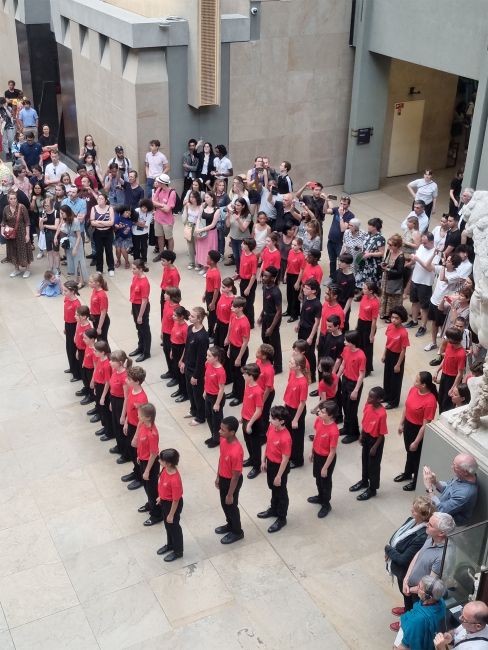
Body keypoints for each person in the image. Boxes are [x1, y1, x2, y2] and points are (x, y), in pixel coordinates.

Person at [386, 496, 437, 615]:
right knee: (404, 594)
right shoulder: (412, 520)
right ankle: (406, 608)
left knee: (409, 595)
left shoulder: (422, 536)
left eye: (415, 509)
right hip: (400, 570)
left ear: (422, 515)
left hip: (407, 572)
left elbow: (404, 559)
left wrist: (388, 549)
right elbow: (396, 535)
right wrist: (390, 544)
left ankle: (408, 616)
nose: (411, 510)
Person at [402, 513, 455, 612]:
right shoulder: (431, 536)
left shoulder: (443, 557)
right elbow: (419, 553)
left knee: (416, 615)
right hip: (412, 588)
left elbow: (430, 587)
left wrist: (409, 589)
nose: (426, 525)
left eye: (430, 525)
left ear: (441, 533)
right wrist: (406, 578)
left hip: (422, 596)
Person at [396, 372, 438, 492]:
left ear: (424, 385)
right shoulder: (413, 390)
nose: (414, 382)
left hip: (418, 430)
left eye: (417, 380)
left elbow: (425, 425)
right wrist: (401, 423)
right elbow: (407, 407)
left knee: (416, 457)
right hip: (408, 425)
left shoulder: (430, 401)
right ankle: (407, 473)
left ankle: (416, 482)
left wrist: (416, 442)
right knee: (409, 452)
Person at [349, 387, 387, 500]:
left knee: (373, 466)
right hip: (366, 435)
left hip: (375, 441)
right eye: (368, 395)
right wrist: (361, 435)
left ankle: (372, 489)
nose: (368, 398)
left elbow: (382, 433)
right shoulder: (368, 404)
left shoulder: (382, 414)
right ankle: (364, 481)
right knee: (365, 460)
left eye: (371, 397)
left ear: (379, 400)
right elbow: (365, 420)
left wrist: (375, 447)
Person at [257, 405, 292, 533]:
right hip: (270, 463)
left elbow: (285, 459)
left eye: (273, 418)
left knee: (281, 493)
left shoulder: (286, 438)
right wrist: (263, 460)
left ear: (282, 421)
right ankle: (273, 509)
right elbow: (269, 444)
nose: (270, 420)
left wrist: (278, 476)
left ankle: (282, 518)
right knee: (273, 488)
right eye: (270, 417)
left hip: (279, 468)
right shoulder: (272, 429)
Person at [423, 454, 478, 526]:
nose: (452, 467)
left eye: (455, 467)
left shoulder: (464, 494)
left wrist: (429, 488)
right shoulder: (463, 476)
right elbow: (448, 487)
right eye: (453, 464)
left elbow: (440, 510)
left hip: (446, 524)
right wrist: (435, 482)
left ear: (466, 472)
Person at [395, 576, 447, 650]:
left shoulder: (418, 620)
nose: (417, 588)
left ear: (429, 597)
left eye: (420, 587)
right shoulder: (440, 602)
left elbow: (406, 643)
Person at [308, 400, 339, 518]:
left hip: (326, 459)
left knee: (325, 482)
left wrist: (325, 468)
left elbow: (332, 453)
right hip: (317, 455)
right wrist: (311, 451)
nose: (319, 413)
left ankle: (326, 505)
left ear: (330, 415)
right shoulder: (319, 420)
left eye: (322, 412)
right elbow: (316, 436)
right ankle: (320, 497)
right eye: (320, 411)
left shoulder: (334, 431)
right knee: (317, 477)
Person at [424, 254, 462, 352]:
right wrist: (433, 255)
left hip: (444, 304)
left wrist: (443, 266)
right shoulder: (442, 268)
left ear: (453, 265)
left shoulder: (455, 275)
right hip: (434, 300)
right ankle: (433, 342)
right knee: (433, 323)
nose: (446, 261)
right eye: (447, 260)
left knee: (443, 326)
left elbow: (442, 279)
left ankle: (443, 345)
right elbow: (428, 266)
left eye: (448, 261)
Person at [133, 403, 163, 526]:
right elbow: (141, 443)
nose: (138, 417)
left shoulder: (152, 434)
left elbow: (153, 454)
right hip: (143, 459)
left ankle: (157, 514)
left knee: (152, 489)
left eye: (140, 415)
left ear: (149, 417)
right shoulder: (143, 425)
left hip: (151, 463)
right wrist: (139, 456)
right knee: (146, 486)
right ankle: (151, 504)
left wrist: (147, 470)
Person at [405, 233, 439, 337]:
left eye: (425, 242)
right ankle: (414, 321)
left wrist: (417, 259)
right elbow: (416, 261)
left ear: (431, 242)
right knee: (414, 302)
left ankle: (423, 326)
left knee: (424, 306)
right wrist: (411, 262)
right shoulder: (421, 247)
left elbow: (429, 268)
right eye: (422, 242)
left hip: (425, 283)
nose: (422, 244)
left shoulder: (436, 254)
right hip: (416, 279)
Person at [120, 366, 148, 489]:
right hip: (130, 424)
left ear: (137, 382)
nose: (126, 380)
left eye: (129, 379)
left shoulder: (142, 399)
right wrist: (126, 421)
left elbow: (142, 420)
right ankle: (135, 471)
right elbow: (129, 408)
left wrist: (136, 436)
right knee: (131, 451)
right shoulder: (131, 389)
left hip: (138, 429)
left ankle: (140, 477)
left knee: (138, 454)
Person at [337, 330, 366, 444]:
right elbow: (343, 364)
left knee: (351, 410)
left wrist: (355, 390)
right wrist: (337, 377)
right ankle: (346, 427)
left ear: (353, 342)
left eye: (346, 340)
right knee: (344, 405)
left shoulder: (361, 356)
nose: (344, 342)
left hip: (354, 384)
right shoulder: (346, 349)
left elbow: (362, 374)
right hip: (345, 380)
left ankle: (354, 432)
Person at [182, 307, 209, 425]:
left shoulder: (202, 337)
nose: (189, 317)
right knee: (190, 391)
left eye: (192, 316)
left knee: (198, 394)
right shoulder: (190, 328)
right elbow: (187, 347)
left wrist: (196, 375)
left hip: (195, 370)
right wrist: (183, 361)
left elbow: (201, 358)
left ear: (199, 319)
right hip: (188, 366)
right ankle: (193, 410)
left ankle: (200, 416)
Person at [156, 448, 184, 562]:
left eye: (161, 460)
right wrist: (160, 497)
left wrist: (171, 514)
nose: (159, 461)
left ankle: (178, 551)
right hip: (164, 501)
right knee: (168, 526)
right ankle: (170, 545)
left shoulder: (175, 481)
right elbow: (162, 483)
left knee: (174, 527)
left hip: (172, 505)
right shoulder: (165, 469)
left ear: (169, 463)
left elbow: (176, 500)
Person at [284, 354, 309, 468]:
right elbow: (289, 391)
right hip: (289, 408)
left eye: (292, 363)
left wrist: (295, 419)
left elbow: (302, 403)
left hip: (297, 412)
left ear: (298, 367)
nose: (289, 364)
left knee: (297, 438)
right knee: (289, 435)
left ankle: (298, 460)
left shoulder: (303, 383)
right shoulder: (292, 374)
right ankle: (291, 455)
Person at [382, 305, 410, 409]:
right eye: (392, 317)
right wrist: (384, 354)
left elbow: (403, 350)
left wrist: (398, 364)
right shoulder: (389, 327)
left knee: (395, 381)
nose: (393, 320)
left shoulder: (403, 333)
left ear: (401, 319)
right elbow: (387, 342)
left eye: (396, 318)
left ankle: (393, 401)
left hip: (397, 356)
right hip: (389, 353)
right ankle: (386, 396)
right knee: (387, 377)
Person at [433, 327, 466, 413]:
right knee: (440, 399)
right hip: (444, 375)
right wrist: (437, 370)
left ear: (453, 339)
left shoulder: (461, 354)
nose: (446, 339)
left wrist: (453, 388)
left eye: (448, 337)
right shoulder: (449, 345)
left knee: (447, 402)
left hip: (452, 379)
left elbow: (460, 373)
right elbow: (445, 359)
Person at [225, 296, 250, 407]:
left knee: (240, 376)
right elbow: (232, 334)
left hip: (240, 350)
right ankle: (234, 392)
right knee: (233, 373)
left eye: (234, 307)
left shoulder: (244, 323)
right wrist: (230, 348)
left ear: (240, 308)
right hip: (233, 347)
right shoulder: (234, 317)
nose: (231, 308)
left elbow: (245, 342)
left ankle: (240, 397)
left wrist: (239, 357)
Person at [323, 195, 355, 281]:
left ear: (348, 205)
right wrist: (326, 201)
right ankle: (332, 277)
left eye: (344, 204)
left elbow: (343, 229)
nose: (342, 206)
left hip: (340, 243)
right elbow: (325, 211)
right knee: (332, 261)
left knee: (341, 262)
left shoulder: (350, 215)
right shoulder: (336, 209)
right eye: (341, 203)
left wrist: (341, 216)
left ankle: (339, 279)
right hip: (331, 241)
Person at [240, 363, 264, 479]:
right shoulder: (248, 385)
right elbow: (246, 402)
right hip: (245, 419)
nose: (243, 376)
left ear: (251, 376)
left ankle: (257, 466)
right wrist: (242, 415)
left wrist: (249, 424)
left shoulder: (257, 391)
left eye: (245, 374)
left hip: (253, 422)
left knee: (255, 445)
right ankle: (251, 459)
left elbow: (258, 410)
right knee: (248, 442)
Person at [296, 278, 322, 382]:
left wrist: (311, 337)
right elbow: (302, 314)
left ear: (313, 290)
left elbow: (316, 323)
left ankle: (312, 376)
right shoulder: (306, 299)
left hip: (309, 331)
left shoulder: (317, 304)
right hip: (302, 328)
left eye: (307, 288)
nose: (304, 290)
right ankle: (303, 371)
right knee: (301, 351)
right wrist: (298, 324)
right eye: (304, 287)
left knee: (310, 354)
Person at [258, 266, 283, 374]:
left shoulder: (276, 292)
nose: (263, 278)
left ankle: (278, 367)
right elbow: (265, 303)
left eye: (266, 276)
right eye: (263, 275)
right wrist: (260, 315)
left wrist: (272, 327)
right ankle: (270, 361)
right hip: (265, 316)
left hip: (273, 318)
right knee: (265, 338)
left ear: (272, 278)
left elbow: (279, 311)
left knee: (275, 343)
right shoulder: (264, 287)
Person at [1, 189, 31, 277]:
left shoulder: (22, 207)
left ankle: (27, 269)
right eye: (11, 199)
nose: (13, 200)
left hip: (21, 232)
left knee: (24, 250)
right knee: (13, 250)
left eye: (15, 198)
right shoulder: (6, 209)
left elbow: (27, 222)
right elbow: (4, 221)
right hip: (11, 233)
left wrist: (27, 234)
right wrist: (2, 231)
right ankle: (16, 269)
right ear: (8, 200)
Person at [108, 349, 131, 459]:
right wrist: (112, 402)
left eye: (113, 360)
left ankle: (126, 453)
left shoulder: (125, 377)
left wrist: (123, 415)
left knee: (122, 429)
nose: (110, 362)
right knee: (116, 426)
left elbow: (126, 398)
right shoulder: (115, 370)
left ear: (120, 363)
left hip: (122, 403)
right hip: (114, 399)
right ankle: (119, 446)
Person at [91, 340, 114, 440]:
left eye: (96, 351)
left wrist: (103, 396)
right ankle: (105, 427)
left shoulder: (107, 365)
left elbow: (108, 382)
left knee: (106, 412)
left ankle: (109, 432)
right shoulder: (100, 359)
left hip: (104, 389)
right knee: (101, 411)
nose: (94, 352)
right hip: (99, 386)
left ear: (102, 352)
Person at [204, 346, 226, 449]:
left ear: (216, 358)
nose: (207, 357)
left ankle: (217, 439)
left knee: (216, 421)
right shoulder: (208, 364)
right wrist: (205, 391)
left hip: (216, 397)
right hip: (208, 395)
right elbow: (207, 379)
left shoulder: (220, 372)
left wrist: (217, 403)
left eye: (209, 356)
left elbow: (221, 389)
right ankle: (213, 436)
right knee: (209, 417)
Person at [356, 281, 380, 376]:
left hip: (368, 326)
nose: (363, 290)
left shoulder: (375, 303)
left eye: (365, 289)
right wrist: (358, 325)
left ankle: (367, 368)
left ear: (371, 291)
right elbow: (361, 311)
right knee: (360, 346)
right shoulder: (364, 297)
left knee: (367, 349)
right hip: (361, 323)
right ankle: (360, 365)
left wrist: (371, 335)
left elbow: (374, 321)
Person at [129, 259, 151, 362]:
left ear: (140, 269)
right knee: (139, 329)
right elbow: (134, 293)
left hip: (142, 307)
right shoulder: (135, 277)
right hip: (135, 305)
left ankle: (146, 352)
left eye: (134, 269)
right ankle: (140, 347)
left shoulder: (144, 283)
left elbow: (144, 301)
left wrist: (140, 315)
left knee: (144, 330)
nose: (132, 270)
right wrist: (132, 308)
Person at [379, 235, 405, 320]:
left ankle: (393, 316)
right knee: (385, 295)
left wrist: (388, 269)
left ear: (397, 246)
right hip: (386, 278)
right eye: (388, 244)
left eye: (391, 245)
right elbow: (386, 260)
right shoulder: (389, 251)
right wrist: (384, 265)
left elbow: (400, 272)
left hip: (394, 281)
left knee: (392, 299)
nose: (389, 246)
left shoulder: (401, 257)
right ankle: (385, 313)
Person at [90, 191, 115, 276]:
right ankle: (99, 269)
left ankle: (111, 268)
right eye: (98, 198)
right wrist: (104, 222)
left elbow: (111, 223)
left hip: (108, 232)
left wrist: (99, 222)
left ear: (105, 201)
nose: (99, 200)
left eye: (101, 199)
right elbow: (92, 222)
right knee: (99, 251)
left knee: (109, 250)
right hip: (97, 232)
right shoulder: (94, 208)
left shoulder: (110, 208)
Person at [152, 174, 176, 260]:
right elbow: (153, 202)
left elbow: (167, 210)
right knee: (160, 237)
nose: (157, 183)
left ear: (163, 183)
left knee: (169, 238)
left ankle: (170, 255)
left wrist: (158, 204)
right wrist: (162, 205)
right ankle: (161, 254)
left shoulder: (172, 193)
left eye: (158, 181)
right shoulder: (159, 189)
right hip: (158, 219)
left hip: (167, 221)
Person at [225, 199, 252, 274]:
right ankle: (239, 272)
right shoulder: (233, 213)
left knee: (242, 257)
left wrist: (238, 220)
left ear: (243, 206)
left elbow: (243, 229)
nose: (236, 207)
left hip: (243, 240)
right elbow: (228, 225)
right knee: (236, 257)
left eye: (238, 205)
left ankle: (244, 273)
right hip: (234, 238)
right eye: (235, 205)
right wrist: (227, 217)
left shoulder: (248, 215)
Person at [195, 192, 220, 275]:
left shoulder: (217, 210)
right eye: (205, 197)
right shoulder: (202, 206)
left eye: (207, 197)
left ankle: (209, 268)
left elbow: (213, 224)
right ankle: (203, 267)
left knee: (209, 250)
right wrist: (198, 229)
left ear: (212, 198)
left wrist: (201, 230)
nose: (205, 199)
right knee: (202, 250)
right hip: (202, 232)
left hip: (211, 233)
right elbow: (198, 219)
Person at [169, 306, 189, 403]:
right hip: (175, 348)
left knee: (182, 373)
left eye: (175, 315)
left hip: (181, 350)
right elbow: (173, 337)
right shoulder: (175, 323)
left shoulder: (185, 328)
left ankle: (185, 393)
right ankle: (180, 389)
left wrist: (182, 359)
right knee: (177, 372)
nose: (173, 317)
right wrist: (172, 350)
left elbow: (186, 345)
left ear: (181, 317)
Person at [160, 286, 181, 381]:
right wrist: (161, 331)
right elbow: (164, 319)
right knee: (166, 352)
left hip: (172, 336)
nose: (164, 295)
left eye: (166, 294)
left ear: (172, 296)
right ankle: (170, 370)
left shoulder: (177, 310)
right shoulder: (166, 304)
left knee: (174, 356)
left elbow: (177, 326)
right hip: (165, 333)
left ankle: (176, 376)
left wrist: (173, 338)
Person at [284, 237, 306, 322]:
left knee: (295, 297)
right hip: (289, 274)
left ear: (300, 246)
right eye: (292, 244)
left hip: (296, 276)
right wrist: (285, 274)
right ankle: (289, 311)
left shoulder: (301, 256)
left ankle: (295, 314)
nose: (292, 246)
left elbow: (302, 270)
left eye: (295, 245)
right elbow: (288, 264)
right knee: (289, 295)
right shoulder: (290, 252)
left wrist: (298, 282)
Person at [63, 281, 81, 379]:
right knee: (69, 348)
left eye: (66, 290)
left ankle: (77, 373)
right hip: (68, 324)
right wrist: (65, 327)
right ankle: (71, 367)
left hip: (74, 326)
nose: (64, 292)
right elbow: (66, 314)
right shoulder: (66, 299)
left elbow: (79, 321)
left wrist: (76, 334)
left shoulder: (76, 304)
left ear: (73, 291)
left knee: (74, 348)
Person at [333, 253, 356, 332]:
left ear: (348, 264)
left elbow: (350, 297)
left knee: (343, 324)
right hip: (335, 302)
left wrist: (344, 312)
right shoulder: (338, 272)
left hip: (343, 304)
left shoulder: (351, 279)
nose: (339, 263)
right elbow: (333, 287)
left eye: (342, 262)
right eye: (339, 261)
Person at [342, 218, 367, 289]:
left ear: (356, 227)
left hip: (357, 256)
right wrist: (344, 246)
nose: (349, 226)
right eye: (349, 225)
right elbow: (344, 241)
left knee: (357, 271)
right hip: (348, 255)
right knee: (348, 270)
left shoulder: (363, 233)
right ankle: (348, 285)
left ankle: (355, 286)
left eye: (351, 225)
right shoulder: (347, 232)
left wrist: (361, 246)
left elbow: (366, 244)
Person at [239, 238, 258, 327]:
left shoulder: (253, 259)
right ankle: (244, 319)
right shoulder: (243, 253)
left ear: (249, 246)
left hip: (249, 282)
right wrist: (240, 279)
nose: (242, 244)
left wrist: (248, 288)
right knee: (243, 302)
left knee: (249, 304)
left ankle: (251, 323)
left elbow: (253, 275)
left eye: (244, 243)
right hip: (243, 280)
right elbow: (242, 267)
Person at [183, 189, 203, 270]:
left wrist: (198, 229)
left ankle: (199, 263)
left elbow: (200, 218)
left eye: (193, 197)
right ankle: (191, 262)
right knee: (189, 245)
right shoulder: (187, 205)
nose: (191, 199)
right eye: (190, 197)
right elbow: (186, 216)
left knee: (198, 245)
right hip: (189, 224)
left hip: (197, 226)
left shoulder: (200, 206)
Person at [203, 251, 221, 337]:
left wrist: (213, 303)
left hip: (213, 296)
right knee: (209, 316)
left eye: (208, 258)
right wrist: (204, 294)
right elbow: (208, 284)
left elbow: (216, 289)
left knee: (213, 317)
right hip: (208, 293)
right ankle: (210, 332)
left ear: (212, 261)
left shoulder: (216, 274)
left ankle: (213, 335)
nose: (206, 259)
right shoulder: (209, 269)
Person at [89, 273, 110, 340]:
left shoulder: (102, 296)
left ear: (97, 283)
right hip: (95, 318)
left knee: (102, 341)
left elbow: (103, 313)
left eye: (91, 282)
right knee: (98, 341)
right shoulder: (94, 290)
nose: (89, 283)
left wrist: (99, 327)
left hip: (101, 319)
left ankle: (107, 351)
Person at [132, 198, 153, 264]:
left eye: (146, 208)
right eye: (143, 207)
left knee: (144, 247)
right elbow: (132, 222)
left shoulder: (149, 213)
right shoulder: (136, 211)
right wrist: (142, 223)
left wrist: (137, 223)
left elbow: (146, 225)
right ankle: (136, 260)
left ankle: (144, 260)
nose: (144, 209)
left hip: (144, 232)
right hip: (135, 232)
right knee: (136, 247)